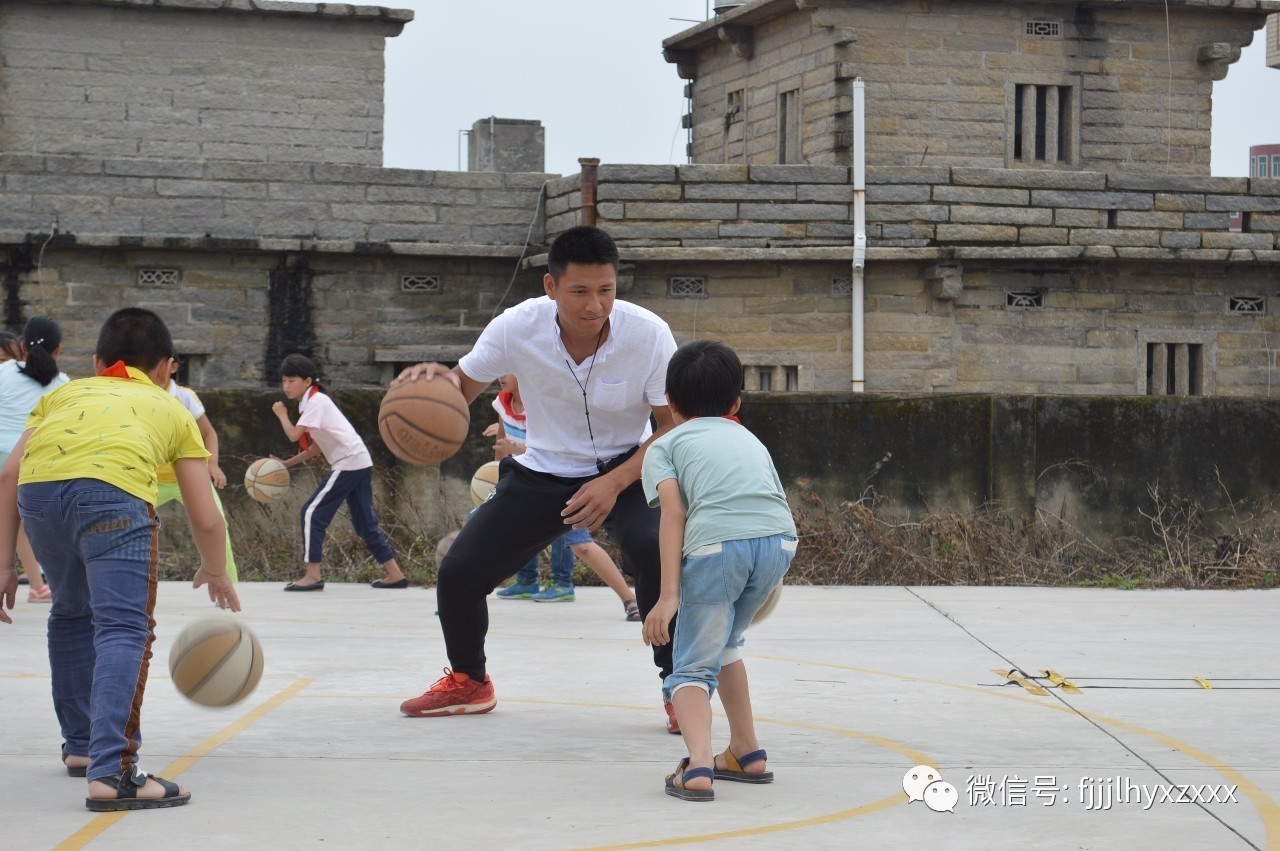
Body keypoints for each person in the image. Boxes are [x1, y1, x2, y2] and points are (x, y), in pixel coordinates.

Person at [394, 225, 678, 724]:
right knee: (459, 572)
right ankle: (469, 682)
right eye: (580, 292)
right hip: (544, 469)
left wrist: (614, 482)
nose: (595, 305)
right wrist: (430, 383)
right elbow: (459, 387)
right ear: (551, 287)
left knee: (657, 555)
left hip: (628, 470)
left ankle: (680, 688)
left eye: (606, 290)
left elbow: (669, 427)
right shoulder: (515, 327)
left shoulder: (649, 334)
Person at [0, 307, 238, 811]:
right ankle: (114, 771)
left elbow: (8, 475)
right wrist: (215, 569)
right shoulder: (171, 407)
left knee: (69, 613)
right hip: (111, 498)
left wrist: (5, 564)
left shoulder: (62, 393)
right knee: (124, 629)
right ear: (167, 367)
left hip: (38, 498)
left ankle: (83, 748)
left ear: (96, 360)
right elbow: (207, 516)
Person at [640, 340, 798, 802]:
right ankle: (747, 753)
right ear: (736, 402)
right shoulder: (749, 437)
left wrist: (669, 596)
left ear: (669, 402)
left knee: (689, 665)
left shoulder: (665, 446)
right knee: (727, 643)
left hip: (717, 549)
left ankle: (699, 767)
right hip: (779, 542)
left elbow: (672, 515)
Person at [488, 373, 641, 619]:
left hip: (559, 479)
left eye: (507, 370)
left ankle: (629, 599)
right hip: (525, 485)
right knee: (489, 529)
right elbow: (500, 450)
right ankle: (522, 583)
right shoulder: (502, 404)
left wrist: (520, 450)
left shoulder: (542, 403)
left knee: (581, 545)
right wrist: (498, 483)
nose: (500, 376)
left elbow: (557, 445)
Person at [271, 353, 406, 591]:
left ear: (308, 381)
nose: (286, 386)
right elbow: (317, 447)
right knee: (365, 522)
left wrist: (281, 415)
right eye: (284, 381)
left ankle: (313, 575)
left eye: (291, 380)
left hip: (349, 462)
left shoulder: (316, 402)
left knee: (312, 513)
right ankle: (395, 574)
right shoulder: (312, 403)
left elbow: (293, 435)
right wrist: (287, 464)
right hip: (358, 461)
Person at [0, 318, 70, 603]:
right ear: (59, 349)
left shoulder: (4, 372)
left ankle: (38, 586)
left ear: (22, 347)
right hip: (40, 463)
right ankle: (39, 586)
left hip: (4, 458)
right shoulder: (64, 384)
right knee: (21, 525)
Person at [154, 355, 239, 582]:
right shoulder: (141, 395)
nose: (157, 371)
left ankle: (227, 581)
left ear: (172, 366)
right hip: (152, 480)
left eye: (163, 365)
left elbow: (209, 433)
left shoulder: (185, 396)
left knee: (218, 523)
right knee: (130, 524)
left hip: (189, 477)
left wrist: (213, 464)